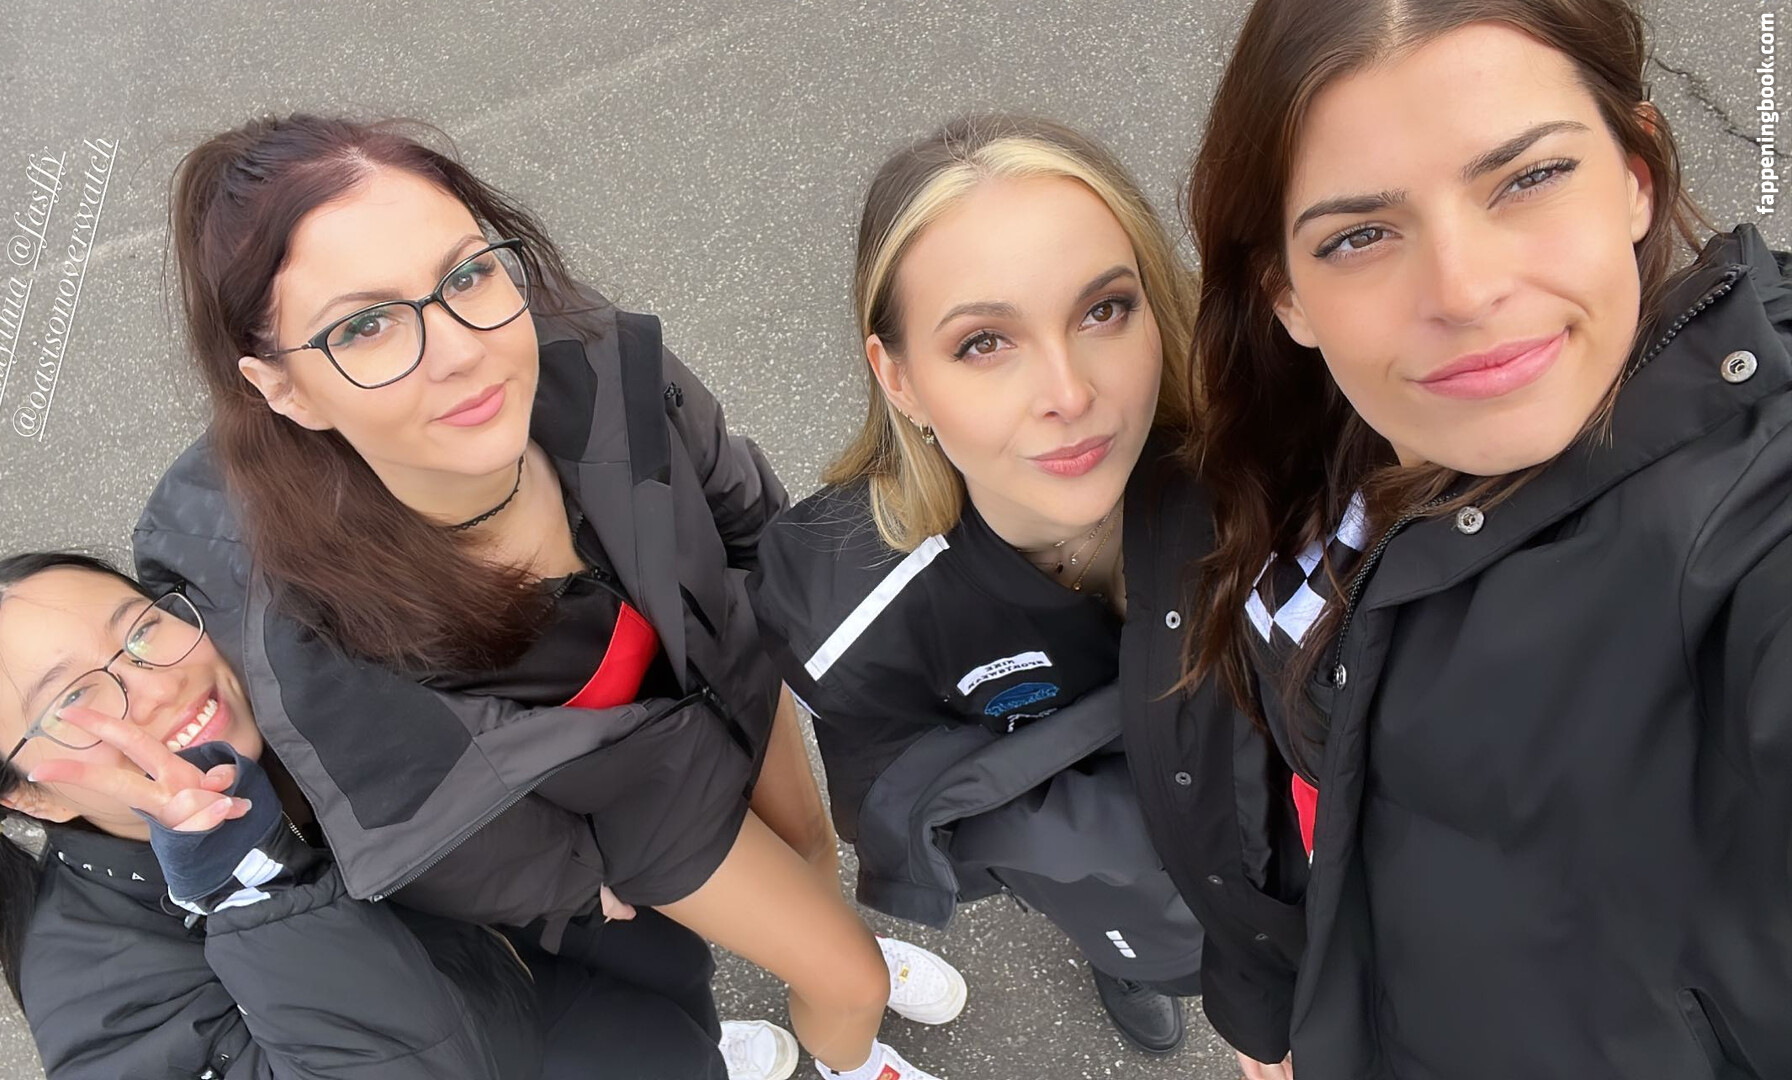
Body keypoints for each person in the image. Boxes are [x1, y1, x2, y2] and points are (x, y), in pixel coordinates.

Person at [134, 114, 962, 1080]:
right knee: (851, 981)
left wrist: (784, 605)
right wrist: (571, 879)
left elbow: (732, 497)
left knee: (812, 850)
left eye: (466, 276)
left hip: (723, 659)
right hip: (632, 806)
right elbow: (430, 825)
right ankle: (850, 1055)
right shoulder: (311, 622)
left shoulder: (592, 354)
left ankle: (819, 959)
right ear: (283, 390)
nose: (460, 351)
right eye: (365, 326)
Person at [1175, 0, 1792, 1076]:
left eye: (1530, 177)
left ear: (1636, 175)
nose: (1463, 292)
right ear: (1288, 296)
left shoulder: (1751, 532)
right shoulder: (1305, 440)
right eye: (1359, 236)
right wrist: (1285, 1003)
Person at [0, 551, 727, 1078]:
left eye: (138, 630)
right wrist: (248, 888)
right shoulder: (101, 1008)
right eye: (74, 700)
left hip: (592, 959)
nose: (156, 683)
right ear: (28, 794)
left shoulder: (291, 683)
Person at [750, 114, 1205, 1059]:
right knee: (1128, 924)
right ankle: (1125, 962)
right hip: (1096, 870)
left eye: (1103, 310)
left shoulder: (1270, 480)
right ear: (900, 380)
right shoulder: (846, 601)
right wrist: (1092, 841)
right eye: (985, 342)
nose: (1069, 394)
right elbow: (892, 795)